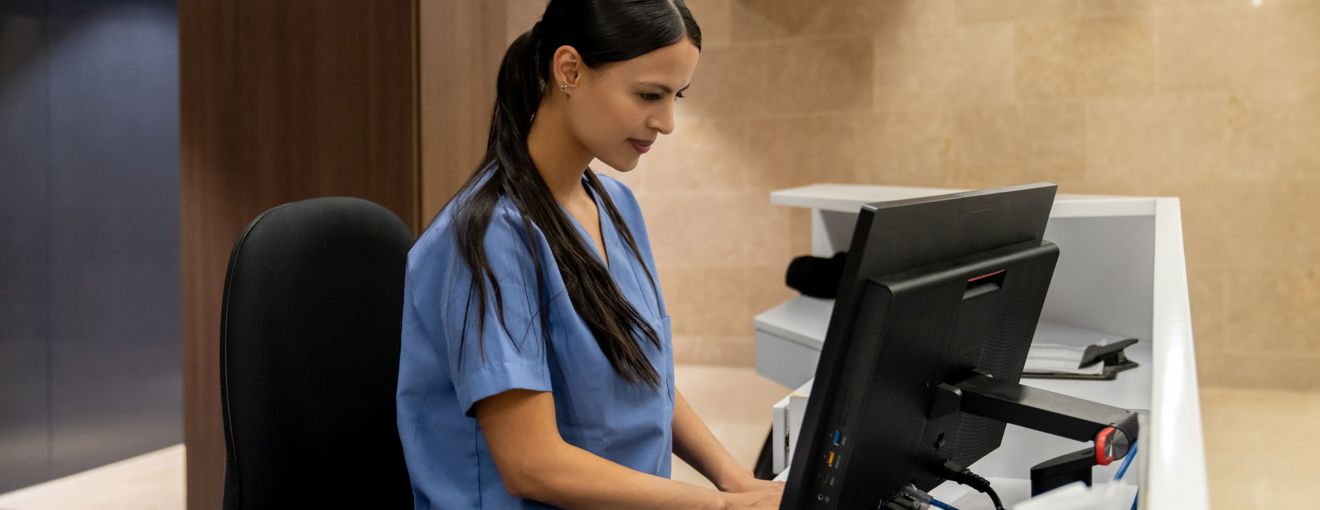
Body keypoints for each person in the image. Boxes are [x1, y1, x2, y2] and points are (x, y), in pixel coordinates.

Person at [396, 1, 785, 508]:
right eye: (649, 95)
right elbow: (531, 467)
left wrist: (735, 480)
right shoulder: (488, 236)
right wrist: (721, 506)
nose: (667, 122)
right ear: (570, 70)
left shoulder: (614, 204)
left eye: (676, 96)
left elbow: (644, 378)